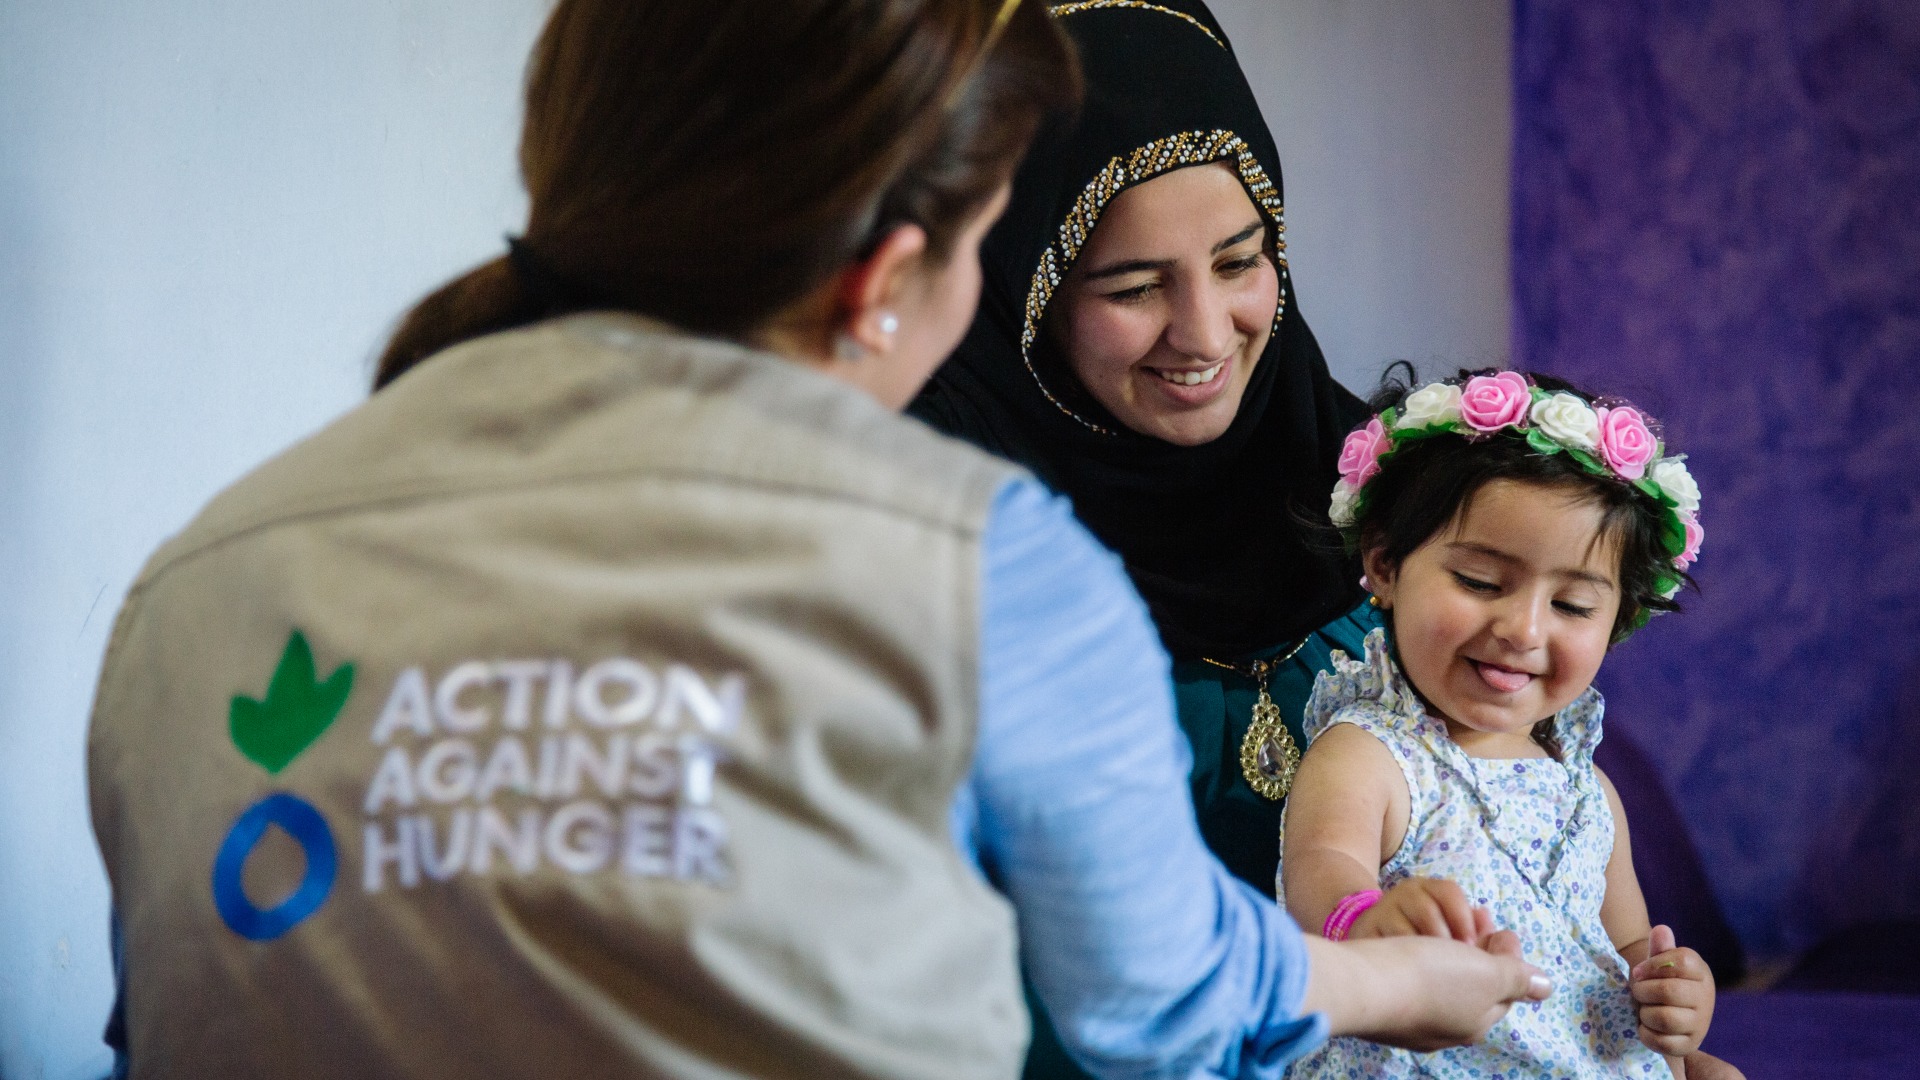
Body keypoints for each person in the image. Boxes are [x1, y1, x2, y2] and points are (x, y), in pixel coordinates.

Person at [88, 1, 1548, 1078]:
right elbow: (1157, 1007)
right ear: (891, 278)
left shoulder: (204, 572)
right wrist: (1397, 981)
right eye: (994, 251)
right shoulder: (975, 564)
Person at [908, 4, 1380, 1072]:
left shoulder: (1386, 493)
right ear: (1019, 287)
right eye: (1131, 286)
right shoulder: (940, 533)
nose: (1206, 335)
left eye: (1240, 261)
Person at [1279, 371, 1737, 1078]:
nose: (1522, 630)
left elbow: (1631, 947)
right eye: (1481, 583)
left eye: (1574, 606)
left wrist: (1675, 993)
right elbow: (1321, 871)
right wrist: (1365, 924)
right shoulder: (1371, 755)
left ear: (1617, 619)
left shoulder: (1587, 790)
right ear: (1385, 566)